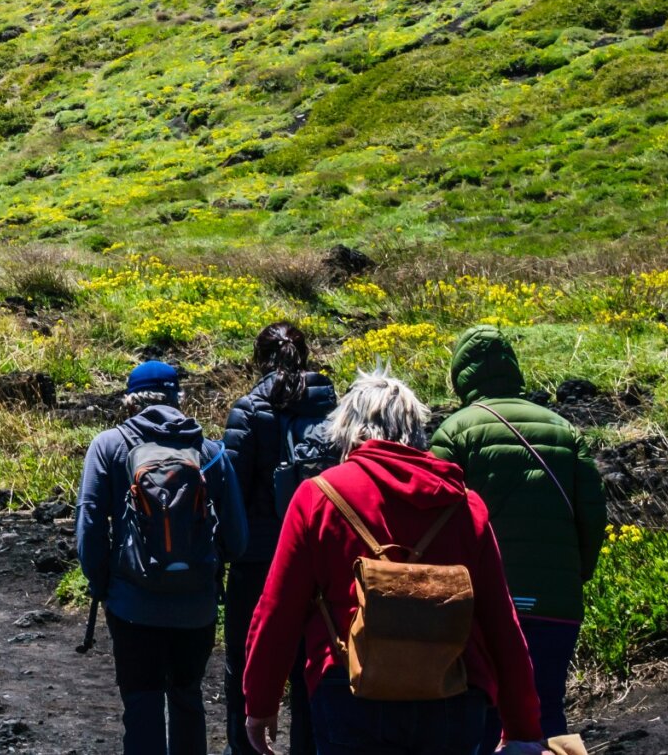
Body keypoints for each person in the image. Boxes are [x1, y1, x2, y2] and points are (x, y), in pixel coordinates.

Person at [243, 371, 544, 755]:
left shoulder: (318, 497)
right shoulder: (465, 505)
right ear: (417, 430)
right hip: (453, 696)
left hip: (352, 694)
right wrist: (522, 725)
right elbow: (501, 622)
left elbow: (278, 610)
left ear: (347, 431)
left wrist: (261, 703)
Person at [430, 327, 606, 753]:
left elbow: (435, 519)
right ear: (513, 369)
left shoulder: (454, 432)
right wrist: (573, 576)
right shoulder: (564, 429)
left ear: (461, 375)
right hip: (556, 604)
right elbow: (593, 516)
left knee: (483, 712)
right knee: (547, 711)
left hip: (482, 606)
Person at [75, 359, 247, 755]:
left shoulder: (109, 446)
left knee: (142, 704)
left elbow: (89, 526)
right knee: (187, 700)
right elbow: (237, 540)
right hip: (197, 608)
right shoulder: (211, 451)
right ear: (177, 397)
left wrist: (102, 583)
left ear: (131, 400)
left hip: (131, 604)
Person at [221, 323, 338, 755]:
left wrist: (225, 556)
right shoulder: (332, 406)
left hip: (258, 560)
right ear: (305, 355)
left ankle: (247, 749)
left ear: (259, 358)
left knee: (246, 666)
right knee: (310, 670)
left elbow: (230, 491)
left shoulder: (249, 409)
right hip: (318, 561)